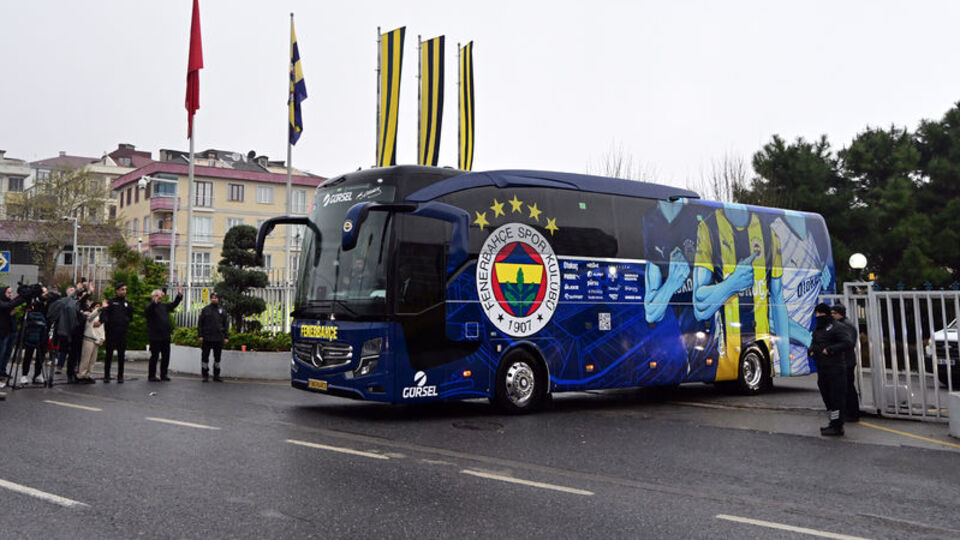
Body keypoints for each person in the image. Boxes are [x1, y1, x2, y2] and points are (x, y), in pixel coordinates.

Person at [809, 302, 854, 436]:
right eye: (816, 314)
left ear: (826, 314)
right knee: (827, 396)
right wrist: (811, 350)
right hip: (822, 368)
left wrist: (830, 350)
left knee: (836, 398)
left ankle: (837, 425)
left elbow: (847, 343)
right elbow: (814, 341)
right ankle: (832, 422)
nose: (817, 316)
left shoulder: (837, 327)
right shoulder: (819, 328)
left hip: (835, 368)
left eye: (820, 314)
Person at [145, 285, 183, 382]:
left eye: (160, 296)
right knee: (155, 356)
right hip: (155, 336)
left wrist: (179, 295)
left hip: (165, 335)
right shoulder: (149, 306)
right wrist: (155, 301)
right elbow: (149, 309)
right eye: (157, 296)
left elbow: (174, 304)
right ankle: (151, 376)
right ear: (153, 297)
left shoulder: (164, 306)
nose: (160, 297)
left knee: (166, 356)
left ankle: (163, 374)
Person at [831, 304, 860, 423]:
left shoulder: (845, 326)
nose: (831, 316)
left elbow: (848, 343)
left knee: (848, 388)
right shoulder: (845, 324)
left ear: (839, 313)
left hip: (846, 362)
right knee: (846, 388)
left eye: (833, 313)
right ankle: (849, 412)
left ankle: (852, 413)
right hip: (846, 361)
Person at [20, 288, 55, 385]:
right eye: (43, 292)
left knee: (41, 354)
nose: (45, 294)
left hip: (43, 331)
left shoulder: (48, 302)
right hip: (33, 330)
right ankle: (24, 374)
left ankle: (37, 374)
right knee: (29, 353)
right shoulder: (34, 301)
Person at [101, 282, 134, 383]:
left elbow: (130, 316)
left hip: (122, 333)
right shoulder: (111, 302)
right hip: (111, 332)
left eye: (125, 289)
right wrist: (107, 323)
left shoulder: (127, 303)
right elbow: (104, 314)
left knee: (121, 355)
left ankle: (120, 376)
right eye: (122, 289)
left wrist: (126, 321)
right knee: (109, 355)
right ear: (117, 291)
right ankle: (106, 376)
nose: (124, 291)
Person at [197, 292, 229, 382]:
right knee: (205, 357)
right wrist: (200, 335)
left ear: (218, 299)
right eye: (212, 298)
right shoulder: (205, 310)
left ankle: (216, 375)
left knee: (217, 358)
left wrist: (226, 336)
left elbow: (225, 325)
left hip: (218, 338)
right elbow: (200, 324)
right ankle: (205, 375)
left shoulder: (222, 311)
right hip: (207, 338)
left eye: (216, 298)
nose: (214, 299)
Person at [0, 286, 27, 384]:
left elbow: (11, 305)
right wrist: (22, 299)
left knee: (7, 354)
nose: (10, 295)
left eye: (11, 292)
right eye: (8, 292)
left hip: (11, 331)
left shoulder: (9, 302)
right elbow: (7, 306)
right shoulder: (2, 302)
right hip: (3, 333)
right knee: (1, 353)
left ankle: (3, 371)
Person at [46, 286, 75, 375]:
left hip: (74, 329)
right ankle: (59, 366)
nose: (73, 291)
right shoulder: (61, 302)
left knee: (73, 351)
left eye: (74, 290)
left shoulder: (76, 302)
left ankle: (73, 367)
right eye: (70, 290)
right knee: (63, 349)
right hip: (63, 329)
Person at [77, 299, 106, 384]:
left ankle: (88, 375)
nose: (98, 308)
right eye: (96, 307)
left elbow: (102, 329)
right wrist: (100, 309)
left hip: (96, 340)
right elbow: (91, 316)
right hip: (89, 339)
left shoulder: (101, 317)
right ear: (92, 308)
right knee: (85, 359)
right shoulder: (90, 315)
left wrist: (102, 339)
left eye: (99, 306)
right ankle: (81, 375)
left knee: (92, 360)